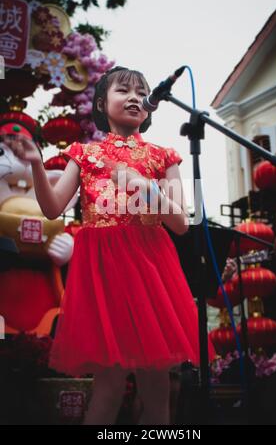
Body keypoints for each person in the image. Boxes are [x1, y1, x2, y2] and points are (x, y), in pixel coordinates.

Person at [4, 66, 215, 425]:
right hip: (104, 274)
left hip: (150, 268)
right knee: (108, 385)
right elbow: (53, 207)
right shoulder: (84, 155)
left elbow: (180, 223)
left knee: (157, 387)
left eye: (141, 92)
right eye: (123, 91)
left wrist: (144, 187)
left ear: (150, 106)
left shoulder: (165, 156)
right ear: (102, 102)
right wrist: (38, 165)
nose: (134, 97)